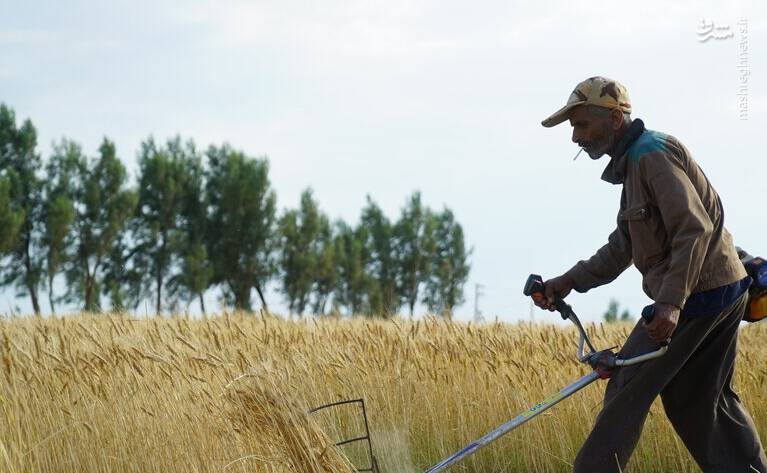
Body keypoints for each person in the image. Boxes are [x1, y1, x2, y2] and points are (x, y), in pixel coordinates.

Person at [537, 76, 767, 473]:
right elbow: (623, 246)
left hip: (698, 296)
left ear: (613, 117)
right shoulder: (635, 164)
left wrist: (670, 304)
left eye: (581, 124)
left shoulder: (651, 156)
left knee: (627, 387)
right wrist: (569, 280)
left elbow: (693, 228)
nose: (575, 137)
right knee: (699, 400)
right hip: (719, 289)